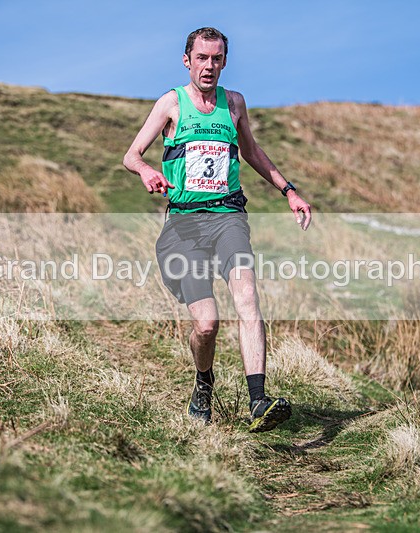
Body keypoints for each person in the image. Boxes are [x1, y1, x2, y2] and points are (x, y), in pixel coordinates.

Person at [123, 27, 311, 432]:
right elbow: (131, 154)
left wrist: (289, 191)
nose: (210, 66)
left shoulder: (235, 104)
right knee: (206, 324)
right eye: (202, 58)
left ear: (225, 61)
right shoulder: (171, 103)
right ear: (187, 60)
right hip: (185, 226)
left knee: (247, 298)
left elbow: (252, 152)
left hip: (228, 217)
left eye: (217, 58)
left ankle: (258, 400)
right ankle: (203, 381)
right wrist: (146, 171)